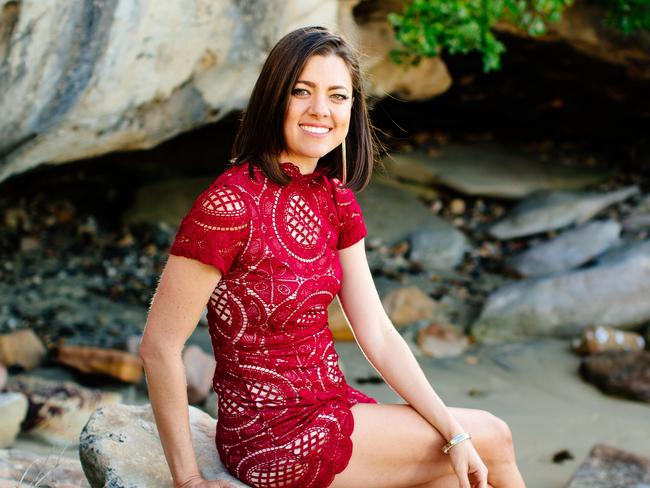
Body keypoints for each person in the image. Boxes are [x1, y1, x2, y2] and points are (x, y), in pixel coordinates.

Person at [139, 26, 527, 488]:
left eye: (337, 96)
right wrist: (189, 480)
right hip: (272, 433)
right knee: (495, 438)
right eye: (301, 91)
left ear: (351, 110)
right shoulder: (229, 205)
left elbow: (377, 333)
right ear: (273, 99)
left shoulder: (335, 199)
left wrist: (451, 430)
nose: (320, 110)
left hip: (332, 404)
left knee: (454, 475)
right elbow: (159, 345)